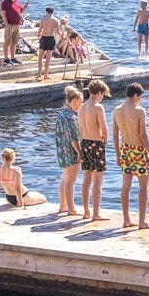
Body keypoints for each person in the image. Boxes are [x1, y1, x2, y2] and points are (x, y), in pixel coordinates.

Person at [111, 83, 149, 229]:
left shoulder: (116, 111)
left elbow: (115, 136)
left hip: (125, 150)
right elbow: (143, 134)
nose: (140, 100)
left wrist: (117, 155)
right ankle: (142, 221)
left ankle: (126, 220)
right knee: (144, 186)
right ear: (135, 95)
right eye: (140, 97)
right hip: (139, 151)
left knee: (126, 186)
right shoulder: (139, 111)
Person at [78, 78, 109, 220]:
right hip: (96, 143)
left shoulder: (82, 107)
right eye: (103, 95)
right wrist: (105, 141)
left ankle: (86, 212)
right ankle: (96, 213)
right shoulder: (97, 107)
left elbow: (80, 129)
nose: (103, 98)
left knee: (86, 180)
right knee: (98, 181)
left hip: (84, 143)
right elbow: (104, 129)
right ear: (100, 92)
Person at [54, 85, 84, 216]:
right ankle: (71, 209)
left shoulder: (62, 113)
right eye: (81, 101)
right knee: (71, 181)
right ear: (75, 100)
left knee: (65, 179)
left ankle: (63, 206)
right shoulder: (71, 117)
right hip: (70, 150)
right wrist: (79, 152)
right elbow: (74, 138)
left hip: (61, 149)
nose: (81, 104)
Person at [0, 0, 27, 65]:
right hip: (9, 25)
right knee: (7, 42)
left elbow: (20, 11)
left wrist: (25, 6)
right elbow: (3, 14)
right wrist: (6, 24)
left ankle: (13, 57)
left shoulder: (16, 1)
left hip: (17, 24)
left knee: (14, 42)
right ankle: (6, 58)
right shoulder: (5, 2)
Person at [35, 6, 61, 82]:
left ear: (46, 12)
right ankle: (46, 75)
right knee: (48, 59)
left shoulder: (43, 19)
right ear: (53, 12)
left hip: (44, 38)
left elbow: (39, 31)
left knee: (40, 57)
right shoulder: (56, 20)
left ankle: (39, 73)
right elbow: (58, 32)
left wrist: (38, 36)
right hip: (51, 38)